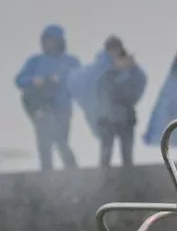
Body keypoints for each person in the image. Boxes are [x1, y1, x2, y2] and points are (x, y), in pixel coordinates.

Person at [14, 24, 81, 171]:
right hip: (41, 109)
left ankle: (73, 172)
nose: (49, 43)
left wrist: (60, 78)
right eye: (46, 40)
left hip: (62, 108)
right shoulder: (35, 61)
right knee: (44, 142)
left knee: (62, 141)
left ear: (60, 41)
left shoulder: (70, 61)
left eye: (52, 40)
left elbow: (80, 79)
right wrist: (34, 80)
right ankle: (46, 174)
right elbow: (19, 80)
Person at [90, 37, 147, 167]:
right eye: (111, 49)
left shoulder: (129, 66)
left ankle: (129, 181)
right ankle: (103, 180)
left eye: (116, 48)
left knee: (127, 152)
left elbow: (140, 81)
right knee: (106, 152)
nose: (114, 52)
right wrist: (116, 69)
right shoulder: (101, 64)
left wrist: (133, 67)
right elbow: (97, 84)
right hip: (106, 116)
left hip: (126, 114)